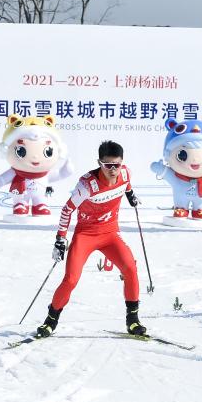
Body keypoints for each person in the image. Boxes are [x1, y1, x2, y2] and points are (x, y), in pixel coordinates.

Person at [36, 141, 144, 338]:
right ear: (99, 163)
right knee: (70, 280)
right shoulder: (87, 184)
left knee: (130, 268)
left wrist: (130, 194)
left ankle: (133, 321)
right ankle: (50, 321)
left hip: (110, 234)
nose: (113, 170)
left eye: (116, 165)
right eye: (107, 165)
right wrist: (61, 239)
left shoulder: (126, 173)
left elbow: (126, 184)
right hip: (86, 235)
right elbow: (67, 210)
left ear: (122, 163)